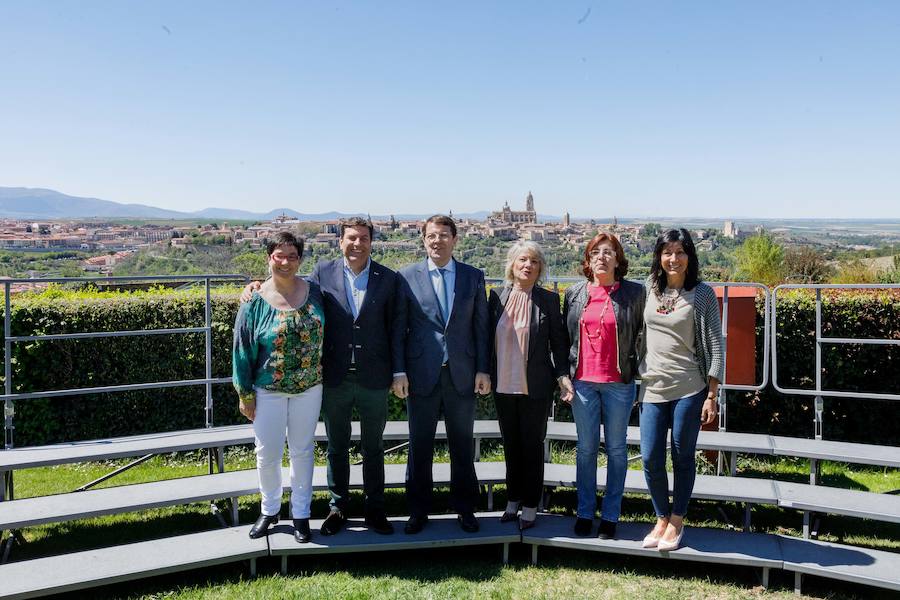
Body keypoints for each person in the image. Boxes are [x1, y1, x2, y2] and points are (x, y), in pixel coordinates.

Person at [241, 217, 402, 536]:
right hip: (335, 377)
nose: (357, 244)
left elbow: (396, 329)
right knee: (337, 447)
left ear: (372, 241)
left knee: (374, 446)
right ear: (340, 241)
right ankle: (338, 508)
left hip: (374, 376)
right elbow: (287, 287)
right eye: (351, 238)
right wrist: (254, 286)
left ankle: (375, 509)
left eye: (364, 238)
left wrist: (398, 372)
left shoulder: (390, 279)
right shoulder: (322, 275)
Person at [391, 214, 491, 534]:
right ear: (424, 240)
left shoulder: (473, 276)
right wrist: (399, 372)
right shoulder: (406, 277)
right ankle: (418, 511)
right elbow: (398, 330)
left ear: (455, 240)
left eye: (444, 235)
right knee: (420, 445)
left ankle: (465, 509)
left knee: (461, 445)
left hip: (462, 374)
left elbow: (481, 328)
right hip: (420, 376)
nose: (438, 241)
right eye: (432, 236)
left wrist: (483, 369)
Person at [233, 232, 324, 544]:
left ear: (300, 259)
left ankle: (301, 514)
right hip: (266, 391)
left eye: (292, 256)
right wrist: (245, 396)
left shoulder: (316, 293)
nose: (285, 262)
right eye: (279, 256)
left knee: (302, 451)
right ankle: (269, 509)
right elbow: (242, 352)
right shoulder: (253, 303)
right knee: (267, 454)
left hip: (309, 388)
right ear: (269, 258)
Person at [638, 228, 723, 552]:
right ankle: (661, 516)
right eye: (667, 252)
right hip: (652, 387)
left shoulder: (701, 294)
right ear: (659, 257)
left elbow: (715, 345)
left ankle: (677, 519)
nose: (674, 259)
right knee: (649, 457)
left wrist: (712, 395)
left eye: (680, 252)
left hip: (690, 387)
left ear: (690, 257)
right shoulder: (648, 288)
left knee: (682, 456)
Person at [562, 232, 645, 539]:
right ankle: (584, 513)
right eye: (596, 252)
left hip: (619, 384)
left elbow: (643, 335)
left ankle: (610, 516)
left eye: (608, 252)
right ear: (588, 259)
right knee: (585, 450)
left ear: (618, 260)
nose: (602, 257)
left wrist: (640, 374)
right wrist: (564, 377)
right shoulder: (575, 293)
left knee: (617, 450)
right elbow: (565, 338)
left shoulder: (634, 294)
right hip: (582, 383)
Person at [488, 241, 572, 530]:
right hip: (503, 385)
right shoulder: (496, 297)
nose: (528, 265)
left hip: (534, 386)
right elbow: (487, 340)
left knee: (532, 447)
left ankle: (530, 504)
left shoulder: (549, 300)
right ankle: (512, 500)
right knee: (511, 445)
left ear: (541, 268)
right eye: (522, 260)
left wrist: (563, 377)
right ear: (512, 265)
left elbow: (558, 345)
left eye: (534, 261)